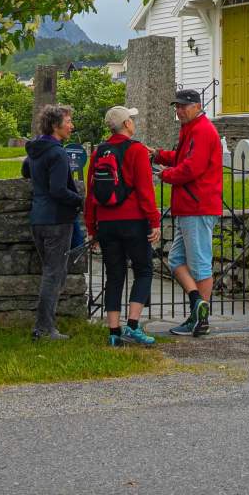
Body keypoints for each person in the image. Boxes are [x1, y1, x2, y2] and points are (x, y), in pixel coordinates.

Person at [84, 104, 161, 347]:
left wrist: (92, 228)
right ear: (127, 124)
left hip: (106, 222)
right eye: (131, 119)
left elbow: (91, 193)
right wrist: (154, 220)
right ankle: (133, 326)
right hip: (133, 220)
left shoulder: (98, 152)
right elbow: (145, 190)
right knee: (143, 271)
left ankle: (114, 332)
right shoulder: (136, 150)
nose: (133, 123)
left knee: (114, 276)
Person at [155, 88, 222, 337]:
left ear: (197, 106)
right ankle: (197, 304)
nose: (179, 110)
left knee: (200, 264)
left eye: (183, 106)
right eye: (177, 106)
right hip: (189, 206)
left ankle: (200, 320)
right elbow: (183, 157)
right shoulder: (191, 128)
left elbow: (192, 167)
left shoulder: (202, 130)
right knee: (176, 260)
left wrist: (166, 175)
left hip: (198, 206)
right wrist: (159, 155)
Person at [21, 104, 82, 341]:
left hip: (38, 217)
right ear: (56, 125)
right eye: (68, 122)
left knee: (52, 271)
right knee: (54, 274)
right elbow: (58, 190)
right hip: (57, 219)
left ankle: (45, 326)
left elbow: (26, 171)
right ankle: (44, 328)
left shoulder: (36, 148)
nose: (71, 126)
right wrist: (80, 200)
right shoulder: (57, 153)